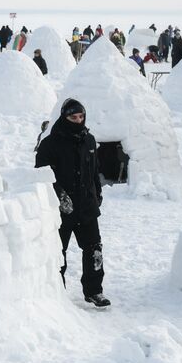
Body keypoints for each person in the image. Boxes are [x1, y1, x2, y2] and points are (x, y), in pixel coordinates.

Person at [35, 99, 109, 308]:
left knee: (94, 248)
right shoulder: (50, 143)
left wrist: (97, 193)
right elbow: (41, 174)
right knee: (58, 251)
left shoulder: (89, 140)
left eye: (81, 117)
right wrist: (60, 196)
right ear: (64, 117)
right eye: (73, 117)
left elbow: (95, 171)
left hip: (86, 205)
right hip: (61, 209)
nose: (78, 121)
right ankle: (57, 291)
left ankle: (94, 290)